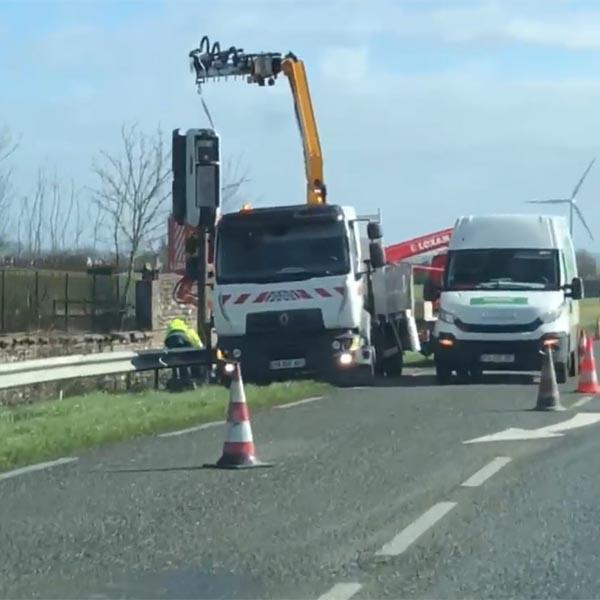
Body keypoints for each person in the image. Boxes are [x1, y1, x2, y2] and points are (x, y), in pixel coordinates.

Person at [164, 318, 204, 387]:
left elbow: (166, 338)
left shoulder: (171, 325)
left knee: (174, 359)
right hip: (183, 338)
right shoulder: (187, 328)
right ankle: (187, 378)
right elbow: (198, 343)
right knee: (185, 359)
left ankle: (176, 377)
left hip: (170, 339)